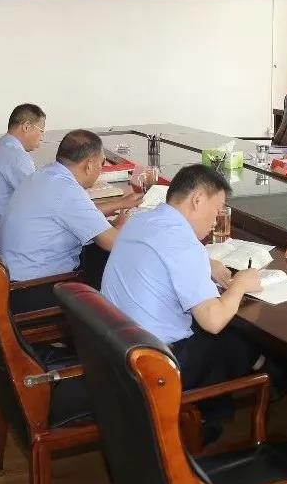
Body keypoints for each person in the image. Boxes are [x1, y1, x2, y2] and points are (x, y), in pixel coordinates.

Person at [101, 164, 263, 401]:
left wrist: (207, 263)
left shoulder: (141, 220)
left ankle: (210, 410)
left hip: (118, 350)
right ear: (197, 200)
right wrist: (240, 283)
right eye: (216, 209)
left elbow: (164, 253)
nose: (215, 221)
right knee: (236, 341)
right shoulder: (185, 244)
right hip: (156, 366)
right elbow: (213, 321)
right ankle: (207, 415)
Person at [0, 129, 141, 312]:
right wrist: (121, 226)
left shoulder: (46, 174)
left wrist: (120, 204)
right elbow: (112, 243)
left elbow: (77, 213)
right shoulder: (66, 190)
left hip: (13, 281)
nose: (101, 168)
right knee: (116, 258)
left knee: (97, 254)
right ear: (89, 164)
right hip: (33, 290)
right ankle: (116, 322)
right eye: (102, 163)